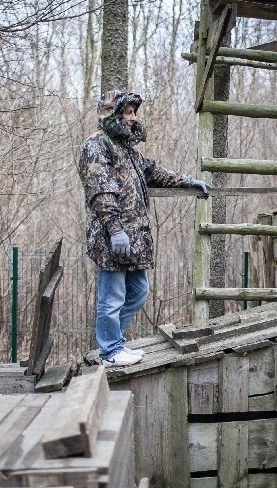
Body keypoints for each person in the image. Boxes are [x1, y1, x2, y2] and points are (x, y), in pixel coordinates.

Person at [78, 90, 209, 367]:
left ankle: (113, 341)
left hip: (135, 239)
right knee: (111, 298)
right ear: (113, 115)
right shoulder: (97, 145)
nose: (134, 117)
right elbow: (101, 191)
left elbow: (153, 172)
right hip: (112, 237)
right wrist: (114, 230)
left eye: (134, 112)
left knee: (138, 293)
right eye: (128, 112)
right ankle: (110, 351)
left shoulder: (128, 151)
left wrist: (188, 181)